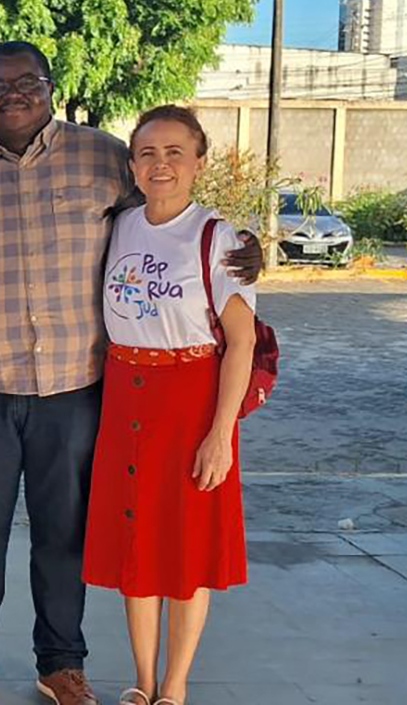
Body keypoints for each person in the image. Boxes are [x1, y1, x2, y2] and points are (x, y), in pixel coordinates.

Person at [0, 42, 261, 705]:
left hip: (77, 386)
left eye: (28, 82)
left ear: (50, 88)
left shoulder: (103, 154)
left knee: (63, 528)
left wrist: (242, 247)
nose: (14, 94)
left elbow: (171, 211)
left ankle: (61, 662)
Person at [83, 106, 255, 705]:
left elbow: (243, 341)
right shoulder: (122, 225)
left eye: (175, 152)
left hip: (190, 401)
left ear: (199, 163)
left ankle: (174, 687)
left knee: (184, 552)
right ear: (132, 165)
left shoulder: (217, 237)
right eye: (148, 153)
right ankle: (143, 681)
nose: (161, 165)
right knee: (138, 547)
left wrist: (219, 434)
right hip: (125, 395)